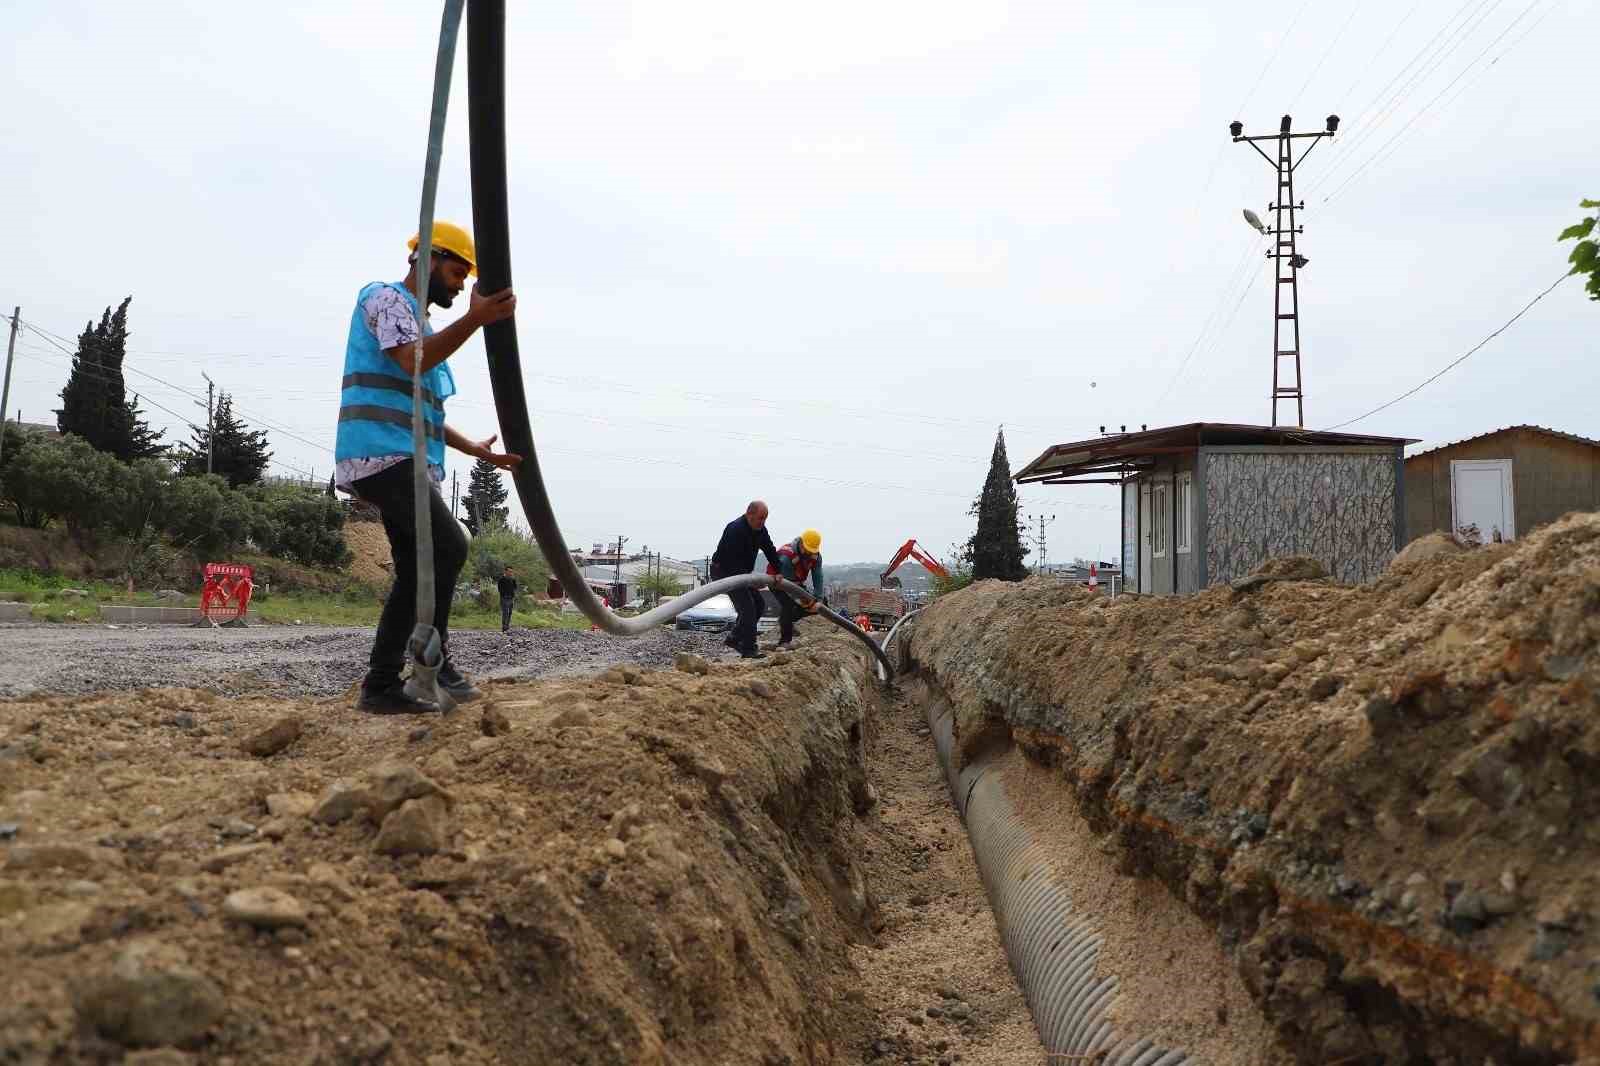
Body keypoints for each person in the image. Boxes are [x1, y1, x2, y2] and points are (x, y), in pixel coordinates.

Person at [334, 221, 521, 714]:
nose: (461, 285)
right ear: (429, 258)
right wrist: (477, 320)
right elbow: (409, 361)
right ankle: (430, 663)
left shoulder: (421, 322)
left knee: (419, 570)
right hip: (379, 454)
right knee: (450, 544)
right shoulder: (385, 299)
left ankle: (386, 683)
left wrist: (476, 451)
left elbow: (421, 406)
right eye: (458, 272)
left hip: (404, 457)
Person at [709, 500, 782, 658]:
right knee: (748, 607)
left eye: (765, 519)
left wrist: (778, 570)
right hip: (724, 571)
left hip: (742, 574)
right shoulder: (735, 529)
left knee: (759, 604)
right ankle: (749, 649)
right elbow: (731, 563)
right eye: (760, 518)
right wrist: (752, 580)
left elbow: (770, 549)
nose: (762, 522)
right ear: (749, 514)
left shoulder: (761, 530)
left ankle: (734, 638)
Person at [766, 529, 826, 648]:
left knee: (819, 604)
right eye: (807, 550)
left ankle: (787, 620)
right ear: (801, 543)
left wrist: (818, 598)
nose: (809, 554)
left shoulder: (815, 556)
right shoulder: (787, 556)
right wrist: (804, 601)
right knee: (788, 605)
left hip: (796, 583)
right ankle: (785, 641)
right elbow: (789, 587)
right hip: (777, 582)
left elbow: (818, 576)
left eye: (811, 551)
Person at [497, 565, 518, 634]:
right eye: (509, 571)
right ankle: (504, 628)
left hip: (511, 598)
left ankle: (507, 627)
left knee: (510, 613)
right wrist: (504, 594)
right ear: (505, 571)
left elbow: (515, 587)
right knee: (505, 613)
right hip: (504, 598)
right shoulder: (501, 579)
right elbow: (499, 589)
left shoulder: (513, 579)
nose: (510, 573)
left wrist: (513, 594)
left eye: (511, 572)